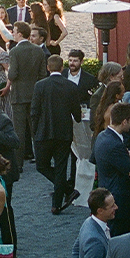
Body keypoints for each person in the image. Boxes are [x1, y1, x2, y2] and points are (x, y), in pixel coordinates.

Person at [31, 53, 87, 213]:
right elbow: (77, 114)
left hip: (44, 131)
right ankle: (58, 201)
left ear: (48, 68)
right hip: (64, 132)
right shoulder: (71, 86)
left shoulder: (40, 86)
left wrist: (35, 132)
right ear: (62, 68)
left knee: (42, 166)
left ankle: (65, 193)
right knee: (61, 166)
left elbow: (34, 111)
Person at [92, 103, 130, 237]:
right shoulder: (114, 144)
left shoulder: (102, 136)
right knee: (118, 236)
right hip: (119, 198)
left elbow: (129, 152)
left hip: (107, 190)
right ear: (124, 122)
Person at [7, 24, 48, 171]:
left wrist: (9, 74)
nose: (13, 33)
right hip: (34, 94)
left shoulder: (14, 51)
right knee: (36, 129)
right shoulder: (38, 50)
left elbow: (13, 74)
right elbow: (43, 74)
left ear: (20, 34)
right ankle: (42, 160)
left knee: (19, 130)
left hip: (18, 95)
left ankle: (18, 164)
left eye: (14, 31)